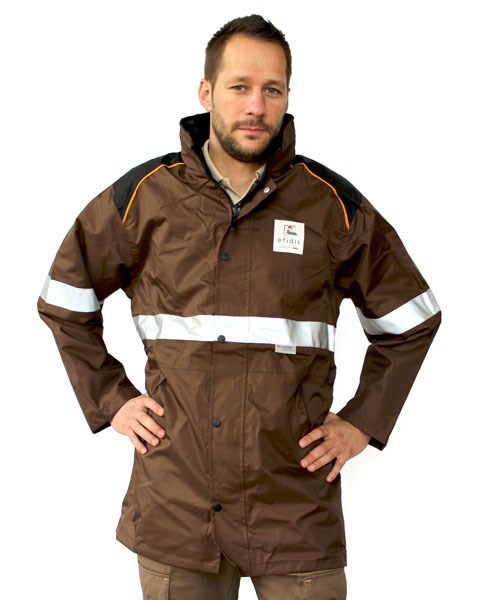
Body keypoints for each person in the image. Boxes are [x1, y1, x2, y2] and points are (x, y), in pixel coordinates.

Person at [38, 14, 441, 600]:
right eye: (240, 87)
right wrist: (111, 400)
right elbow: (64, 299)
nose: (256, 106)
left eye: (272, 89)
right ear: (206, 92)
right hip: (179, 507)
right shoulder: (144, 198)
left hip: (293, 507)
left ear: (287, 97)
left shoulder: (330, 207)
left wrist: (362, 423)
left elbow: (411, 319)